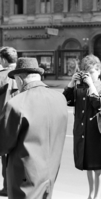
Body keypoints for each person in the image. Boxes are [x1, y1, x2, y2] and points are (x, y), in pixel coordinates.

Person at [0, 57, 68, 199]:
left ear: (19, 79)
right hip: (50, 175)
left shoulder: (16, 103)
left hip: (24, 179)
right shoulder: (60, 99)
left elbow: (2, 144)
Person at [63, 54, 101, 199]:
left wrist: (91, 85)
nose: (88, 76)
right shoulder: (79, 88)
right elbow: (65, 99)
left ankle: (97, 196)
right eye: (85, 73)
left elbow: (98, 104)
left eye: (91, 72)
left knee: (98, 168)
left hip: (96, 134)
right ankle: (91, 194)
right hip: (82, 132)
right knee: (88, 167)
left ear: (99, 71)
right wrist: (72, 82)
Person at [0, 46, 18, 197]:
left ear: (3, 60)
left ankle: (7, 187)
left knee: (5, 154)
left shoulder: (1, 76)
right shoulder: (23, 75)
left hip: (4, 120)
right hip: (22, 119)